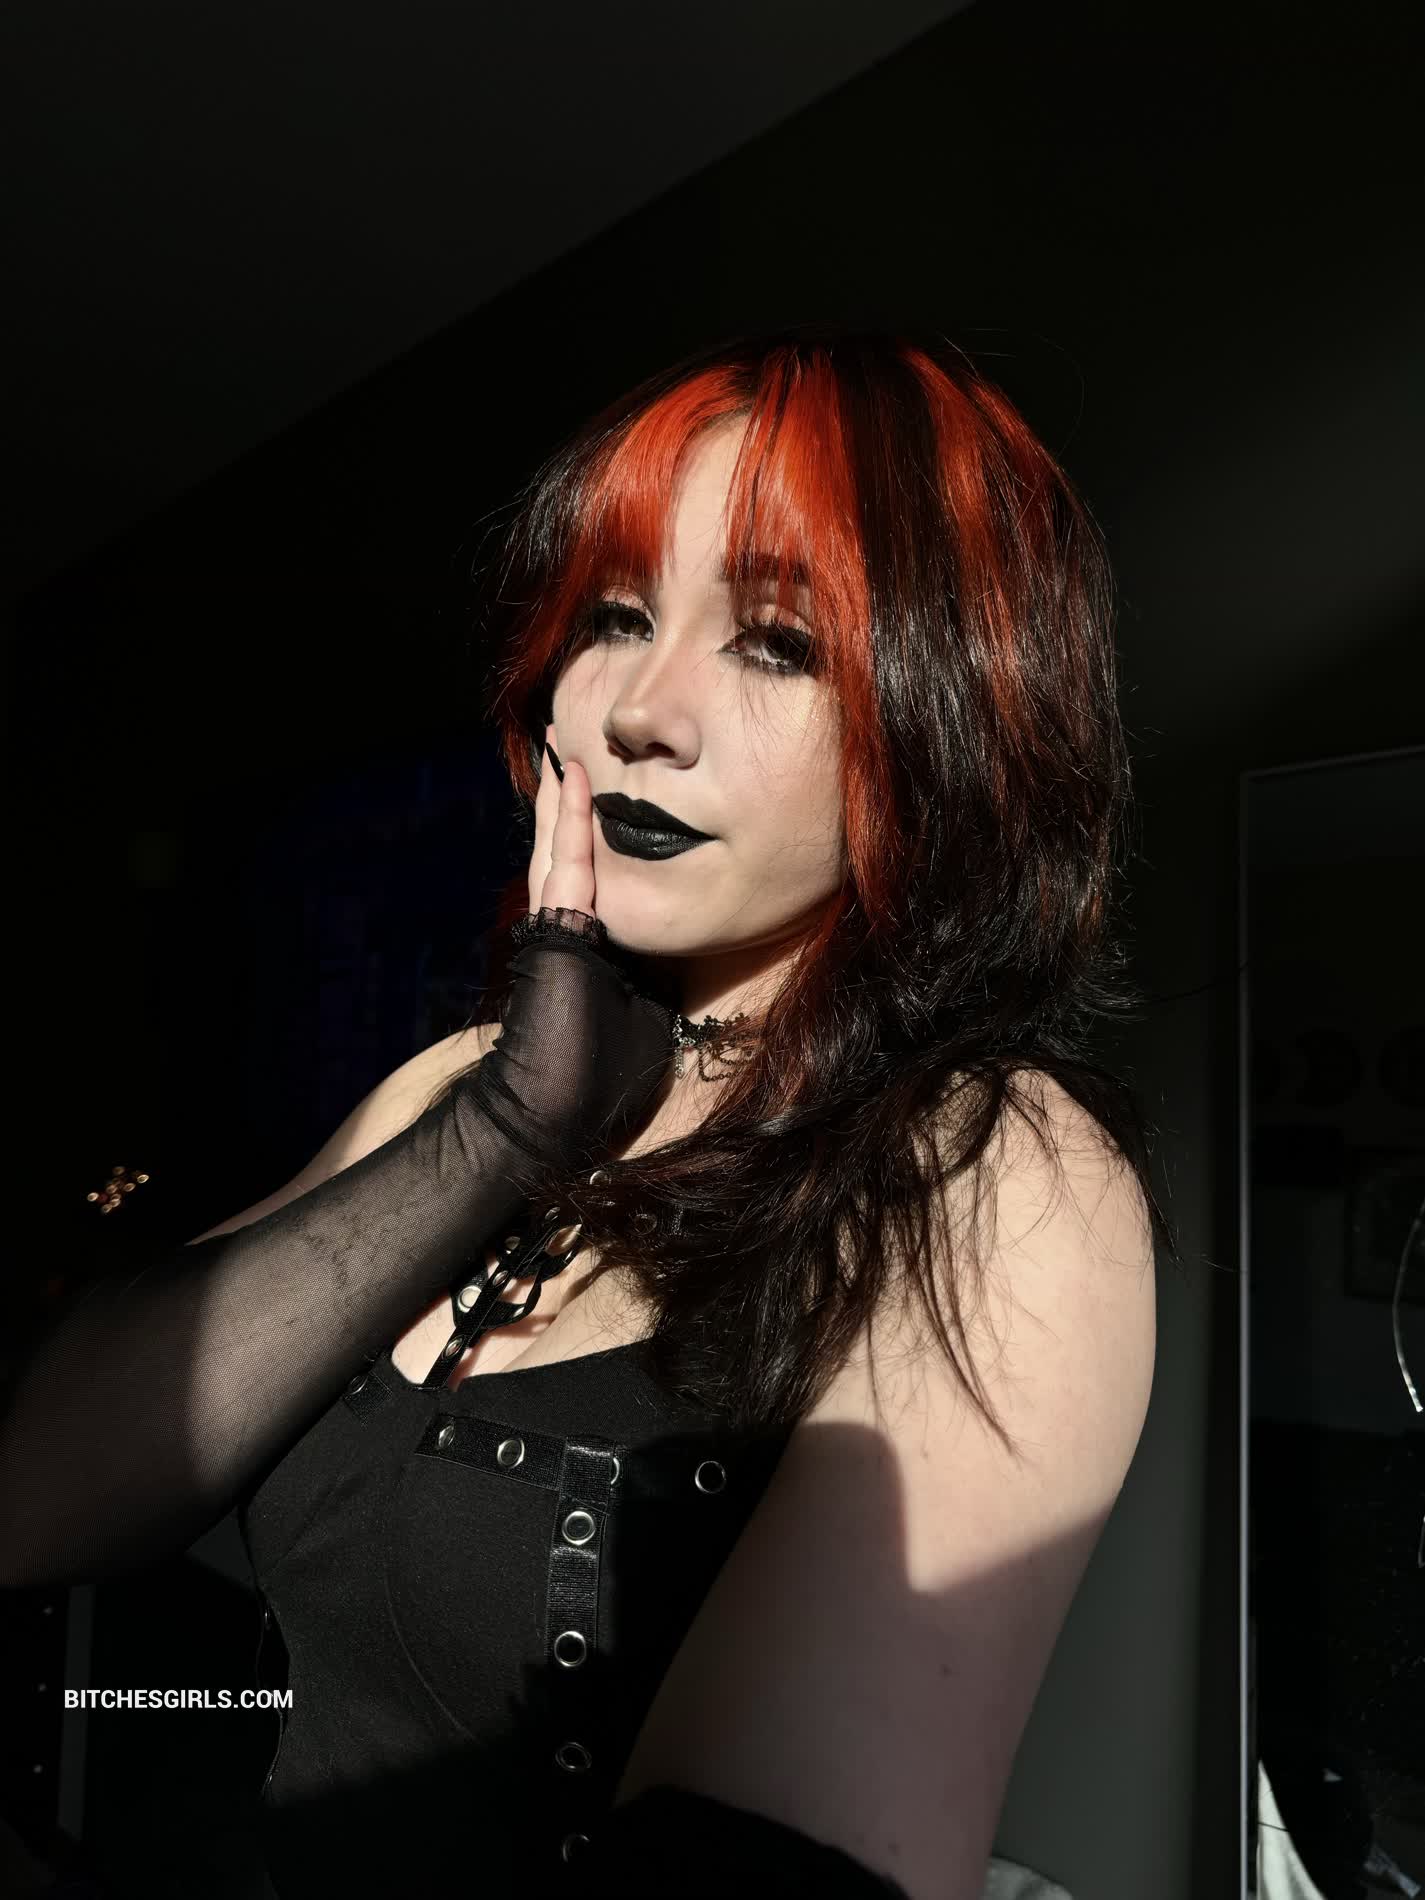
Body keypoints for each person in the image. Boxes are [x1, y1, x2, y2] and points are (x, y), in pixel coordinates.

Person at [0, 325, 1174, 1900]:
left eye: (774, 642)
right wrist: (502, 1133)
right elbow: (34, 1496)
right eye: (616, 617)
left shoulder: (992, 1171)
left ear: (950, 713)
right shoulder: (463, 1086)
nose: (639, 709)